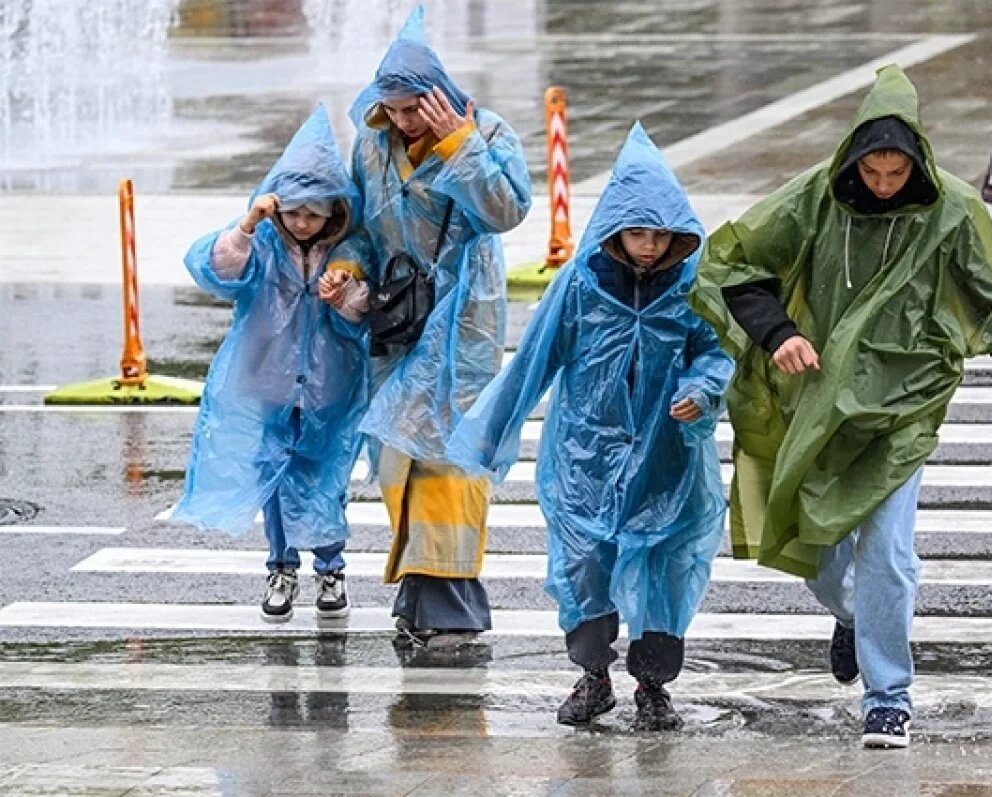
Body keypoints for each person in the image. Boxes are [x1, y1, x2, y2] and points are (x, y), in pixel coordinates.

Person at [690, 65, 992, 749]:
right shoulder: (818, 199)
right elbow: (735, 264)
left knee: (886, 550)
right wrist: (781, 333)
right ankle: (855, 615)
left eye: (895, 174)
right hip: (820, 404)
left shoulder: (952, 210)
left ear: (917, 162)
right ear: (856, 157)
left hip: (904, 409)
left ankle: (889, 696)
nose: (883, 185)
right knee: (810, 542)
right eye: (874, 172)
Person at [448, 123, 733, 731]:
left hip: (667, 462)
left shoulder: (693, 287)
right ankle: (594, 678)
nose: (650, 247)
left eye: (660, 235)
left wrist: (700, 390)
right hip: (585, 460)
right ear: (614, 231)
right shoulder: (579, 285)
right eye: (637, 233)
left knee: (666, 570)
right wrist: (489, 434)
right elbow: (533, 363)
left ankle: (653, 687)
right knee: (584, 569)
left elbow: (716, 353)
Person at [349, 5, 532, 648]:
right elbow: (357, 228)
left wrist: (460, 145)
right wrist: (348, 279)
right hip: (397, 322)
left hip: (462, 324)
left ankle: (452, 607)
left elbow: (506, 210)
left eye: (412, 108)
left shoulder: (485, 130)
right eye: (392, 109)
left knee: (451, 461)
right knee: (399, 456)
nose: (402, 122)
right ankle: (418, 598)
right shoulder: (371, 145)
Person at [173, 104, 373, 623]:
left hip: (331, 387)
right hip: (268, 382)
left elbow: (365, 309)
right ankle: (281, 566)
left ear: (335, 210)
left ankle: (331, 568)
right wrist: (247, 225)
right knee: (274, 478)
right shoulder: (261, 242)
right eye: (293, 211)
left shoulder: (350, 248)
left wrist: (345, 296)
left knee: (327, 477)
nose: (302, 222)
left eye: (314, 212)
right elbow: (218, 270)